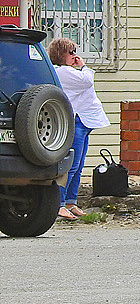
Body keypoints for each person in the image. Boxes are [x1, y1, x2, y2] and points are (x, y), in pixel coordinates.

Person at [48, 37, 110, 220]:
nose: (75, 56)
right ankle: (59, 204)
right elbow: (87, 81)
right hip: (76, 121)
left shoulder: (69, 72)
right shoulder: (63, 71)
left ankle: (70, 201)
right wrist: (83, 67)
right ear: (61, 55)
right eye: (71, 52)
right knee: (71, 166)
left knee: (79, 164)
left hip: (84, 121)